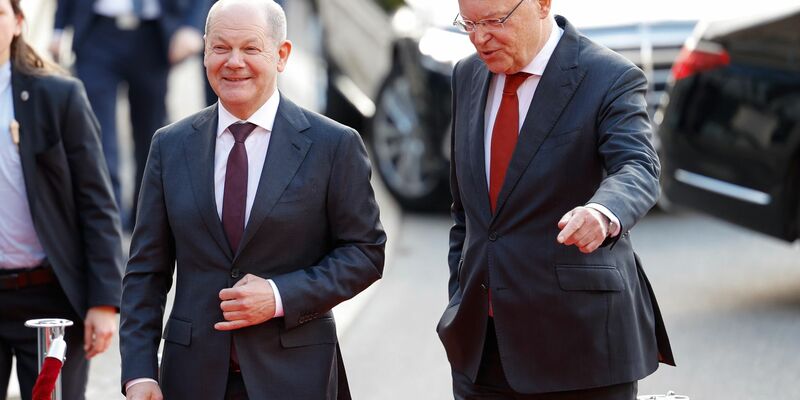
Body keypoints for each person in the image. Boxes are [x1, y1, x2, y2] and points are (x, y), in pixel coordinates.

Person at [118, 0, 385, 398]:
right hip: (191, 379)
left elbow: (365, 253)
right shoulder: (169, 146)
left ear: (282, 55)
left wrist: (279, 296)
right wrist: (139, 372)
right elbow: (146, 272)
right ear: (205, 51)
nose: (233, 62)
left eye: (251, 48)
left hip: (295, 376)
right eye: (221, 47)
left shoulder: (334, 145)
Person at [437, 0, 676, 398]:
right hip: (482, 347)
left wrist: (602, 212)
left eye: (495, 21)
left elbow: (637, 166)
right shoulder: (467, 75)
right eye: (469, 23)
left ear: (543, 4)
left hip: (580, 346)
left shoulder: (608, 76)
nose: (480, 38)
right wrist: (459, 297)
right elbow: (466, 211)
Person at [0, 0, 124, 399]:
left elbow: (96, 201)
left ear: (18, 22)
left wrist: (105, 301)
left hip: (49, 297)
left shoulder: (57, 96)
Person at [50, 0, 207, 229]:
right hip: (96, 34)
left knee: (152, 138)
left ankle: (146, 223)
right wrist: (58, 27)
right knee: (97, 136)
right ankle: (105, 225)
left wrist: (192, 26)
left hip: (154, 36)